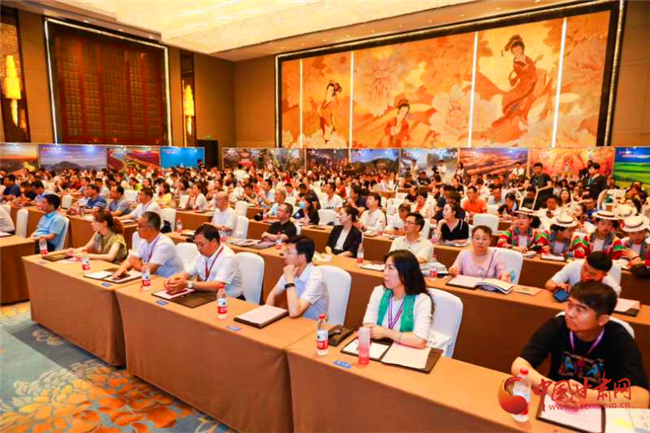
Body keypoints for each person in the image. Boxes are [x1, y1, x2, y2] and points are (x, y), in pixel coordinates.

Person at [511, 281, 648, 408]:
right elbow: (519, 365)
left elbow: (642, 398)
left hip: (600, 409)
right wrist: (552, 388)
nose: (570, 313)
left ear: (602, 319)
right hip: (555, 403)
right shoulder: (557, 325)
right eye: (569, 304)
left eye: (581, 309)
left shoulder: (620, 338)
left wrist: (589, 396)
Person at [362, 250, 434, 348]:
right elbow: (367, 326)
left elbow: (420, 341)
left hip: (407, 350)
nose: (385, 273)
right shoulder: (380, 291)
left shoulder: (422, 300)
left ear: (405, 273)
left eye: (390, 268)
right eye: (385, 267)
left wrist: (385, 332)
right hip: (380, 346)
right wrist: (401, 336)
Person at [163, 223, 243, 298]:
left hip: (230, 298)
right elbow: (186, 273)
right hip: (209, 294)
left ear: (214, 242)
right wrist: (173, 280)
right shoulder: (202, 254)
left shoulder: (228, 257)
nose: (198, 248)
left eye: (201, 244)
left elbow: (217, 286)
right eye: (196, 244)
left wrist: (187, 284)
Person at [265, 236, 329, 319]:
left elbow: (294, 312)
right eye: (285, 251)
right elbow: (272, 295)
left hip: (315, 324)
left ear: (301, 258)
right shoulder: (291, 269)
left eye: (289, 253)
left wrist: (290, 279)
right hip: (295, 321)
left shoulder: (316, 279)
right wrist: (266, 316)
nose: (284, 256)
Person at [113, 212, 183, 278]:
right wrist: (122, 269)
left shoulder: (164, 244)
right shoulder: (144, 240)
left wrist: (137, 265)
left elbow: (149, 270)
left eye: (140, 226)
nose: (137, 228)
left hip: (171, 280)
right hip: (154, 278)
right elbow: (131, 259)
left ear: (151, 229)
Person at [544, 251, 621, 296]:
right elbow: (549, 283)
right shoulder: (573, 266)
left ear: (604, 275)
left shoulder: (612, 288)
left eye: (593, 274)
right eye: (585, 268)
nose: (586, 275)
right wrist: (556, 287)